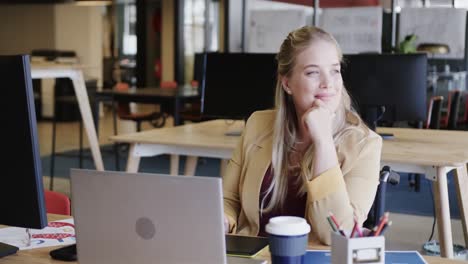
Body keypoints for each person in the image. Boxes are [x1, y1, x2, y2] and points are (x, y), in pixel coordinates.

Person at [223, 26, 382, 245]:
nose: (328, 84)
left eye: (335, 70)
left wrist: (323, 141)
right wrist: (224, 218)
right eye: (313, 72)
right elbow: (228, 199)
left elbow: (339, 235)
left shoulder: (365, 145)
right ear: (287, 83)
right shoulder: (258, 124)